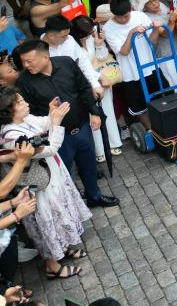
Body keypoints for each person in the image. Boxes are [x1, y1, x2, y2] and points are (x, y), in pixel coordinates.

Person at [14, 40, 119, 209]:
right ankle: (73, 207)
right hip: (57, 137)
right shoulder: (24, 82)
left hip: (83, 126)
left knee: (89, 165)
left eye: (29, 61)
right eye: (23, 61)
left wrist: (94, 112)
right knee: (64, 174)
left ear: (45, 57)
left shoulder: (66, 62)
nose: (26, 65)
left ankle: (94, 197)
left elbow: (84, 88)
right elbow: (30, 113)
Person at [0, 89, 89, 280]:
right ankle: (52, 265)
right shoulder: (10, 137)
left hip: (50, 176)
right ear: (10, 110)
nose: (25, 102)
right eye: (20, 101)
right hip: (39, 186)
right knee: (46, 224)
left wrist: (51, 114)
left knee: (59, 215)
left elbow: (42, 123)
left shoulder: (24, 119)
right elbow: (49, 149)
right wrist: (56, 122)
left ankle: (62, 249)